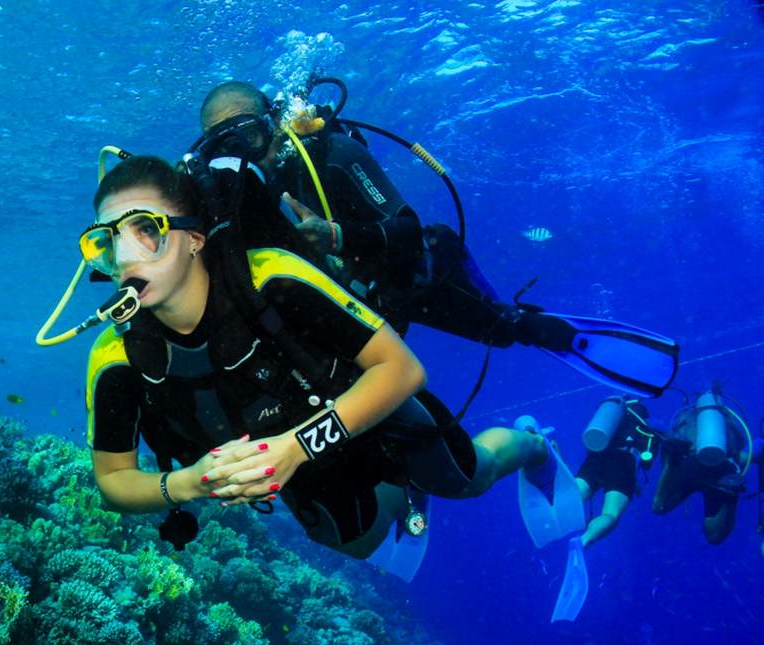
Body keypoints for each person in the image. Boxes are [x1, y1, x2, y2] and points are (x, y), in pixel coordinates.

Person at [82, 154, 559, 559]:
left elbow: (403, 369)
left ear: (195, 239)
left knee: (468, 477)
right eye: (106, 241)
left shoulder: (272, 277)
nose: (125, 257)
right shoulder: (116, 357)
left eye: (146, 229)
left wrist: (296, 446)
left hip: (369, 410)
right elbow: (113, 478)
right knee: (357, 545)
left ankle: (534, 445)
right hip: (291, 459)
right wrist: (188, 483)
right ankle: (406, 490)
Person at [190, 81, 679, 399]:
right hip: (374, 300)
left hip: (422, 272)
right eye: (224, 146)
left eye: (249, 136)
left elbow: (405, 227)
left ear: (274, 122)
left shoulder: (334, 155)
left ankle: (561, 334)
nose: (243, 155)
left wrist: (334, 236)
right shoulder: (246, 198)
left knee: (504, 331)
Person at [651, 386, 753, 545]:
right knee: (715, 537)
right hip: (722, 470)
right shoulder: (730, 420)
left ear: (694, 405)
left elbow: (659, 427)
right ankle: (729, 494)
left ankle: (672, 462)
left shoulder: (686, 415)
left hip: (689, 464)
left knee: (660, 507)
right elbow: (744, 448)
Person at [574, 395, 659, 548]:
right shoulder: (647, 429)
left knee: (572, 498)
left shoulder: (609, 420)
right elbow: (647, 463)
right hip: (623, 462)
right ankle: (584, 540)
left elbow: (591, 441)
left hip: (596, 458)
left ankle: (551, 509)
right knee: (610, 514)